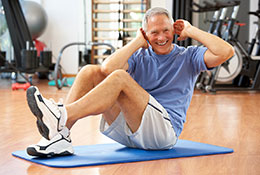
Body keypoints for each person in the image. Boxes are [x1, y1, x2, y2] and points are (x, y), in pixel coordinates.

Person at [26, 7, 234, 157]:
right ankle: (60, 136)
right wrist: (137, 42)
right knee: (90, 71)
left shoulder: (189, 56)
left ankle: (61, 114)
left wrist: (191, 31)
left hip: (162, 134)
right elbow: (106, 69)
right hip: (129, 132)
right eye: (154, 32)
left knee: (120, 78)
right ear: (146, 34)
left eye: (166, 30)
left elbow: (227, 52)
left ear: (174, 30)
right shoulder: (139, 55)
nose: (161, 37)